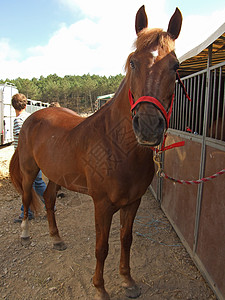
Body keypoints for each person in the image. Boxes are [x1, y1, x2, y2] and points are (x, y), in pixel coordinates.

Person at [11, 93, 47, 223]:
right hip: (35, 156)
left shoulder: (18, 120)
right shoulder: (31, 117)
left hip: (26, 159)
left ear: (13, 106)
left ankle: (43, 208)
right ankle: (27, 210)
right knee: (33, 183)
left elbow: (23, 142)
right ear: (26, 105)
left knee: (33, 183)